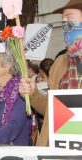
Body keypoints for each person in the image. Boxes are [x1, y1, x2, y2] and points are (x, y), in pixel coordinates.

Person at [19, 0, 82, 146]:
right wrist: (32, 93)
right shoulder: (59, 63)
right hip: (60, 147)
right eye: (63, 20)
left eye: (70, 18)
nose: (65, 24)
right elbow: (52, 110)